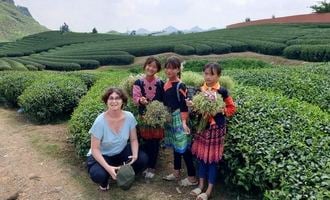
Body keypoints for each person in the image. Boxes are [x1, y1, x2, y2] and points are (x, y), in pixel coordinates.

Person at [187, 63, 236, 200]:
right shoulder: (200, 90)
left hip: (216, 130)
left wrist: (221, 110)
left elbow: (232, 108)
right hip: (203, 129)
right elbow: (196, 112)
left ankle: (208, 191)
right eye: (206, 73)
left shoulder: (222, 91)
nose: (208, 77)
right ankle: (200, 186)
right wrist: (193, 106)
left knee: (212, 160)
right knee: (202, 158)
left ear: (218, 76)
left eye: (212, 74)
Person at [86, 87, 148, 191]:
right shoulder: (100, 121)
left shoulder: (129, 117)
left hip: (121, 151)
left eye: (118, 98)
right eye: (111, 98)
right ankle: (105, 180)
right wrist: (108, 168)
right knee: (98, 174)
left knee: (143, 158)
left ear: (123, 101)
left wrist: (135, 155)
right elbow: (95, 149)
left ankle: (124, 174)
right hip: (103, 155)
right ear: (106, 101)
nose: (114, 101)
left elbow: (133, 139)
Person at [162, 56, 198, 186]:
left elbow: (184, 105)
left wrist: (183, 122)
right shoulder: (165, 83)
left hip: (179, 118)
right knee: (176, 147)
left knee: (184, 148)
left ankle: (192, 177)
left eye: (173, 68)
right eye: (167, 67)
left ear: (178, 69)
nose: (169, 70)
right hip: (169, 118)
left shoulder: (180, 85)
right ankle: (176, 172)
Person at [132, 56, 164, 179]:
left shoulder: (160, 83)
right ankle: (145, 164)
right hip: (144, 117)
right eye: (149, 65)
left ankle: (152, 167)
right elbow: (136, 97)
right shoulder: (138, 82)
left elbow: (163, 100)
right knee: (145, 140)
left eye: (154, 67)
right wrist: (141, 100)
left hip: (156, 118)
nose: (151, 68)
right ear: (145, 66)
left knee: (155, 142)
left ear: (158, 69)